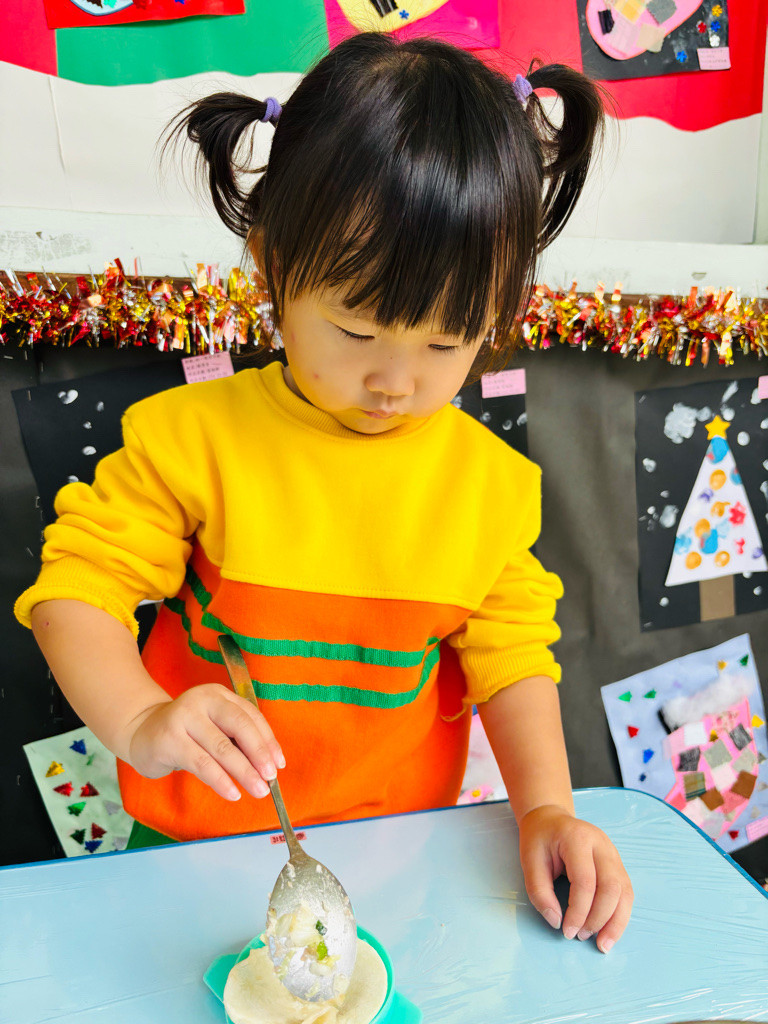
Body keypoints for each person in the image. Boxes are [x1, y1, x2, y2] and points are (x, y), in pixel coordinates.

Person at [16, 32, 633, 952]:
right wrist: (140, 718)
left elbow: (514, 660)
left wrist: (547, 809)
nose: (395, 382)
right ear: (272, 264)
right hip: (189, 852)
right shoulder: (193, 439)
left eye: (446, 343)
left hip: (403, 856)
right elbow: (74, 594)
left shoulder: (492, 487)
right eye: (355, 330)